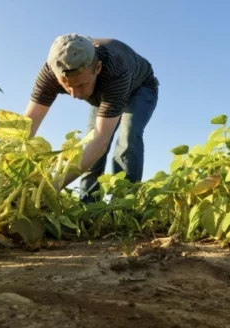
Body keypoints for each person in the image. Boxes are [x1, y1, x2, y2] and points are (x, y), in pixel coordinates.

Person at [23, 33, 159, 203]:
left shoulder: (116, 71)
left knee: (128, 136)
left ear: (98, 68)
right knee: (89, 146)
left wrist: (53, 187)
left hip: (140, 87)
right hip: (102, 92)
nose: (75, 95)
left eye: (81, 85)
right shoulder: (50, 73)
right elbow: (28, 124)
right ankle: (88, 206)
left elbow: (100, 141)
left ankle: (124, 206)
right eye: (67, 86)